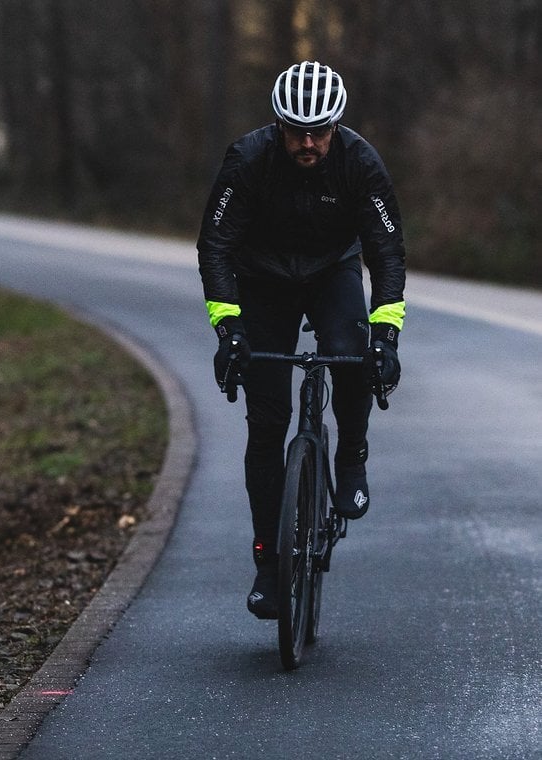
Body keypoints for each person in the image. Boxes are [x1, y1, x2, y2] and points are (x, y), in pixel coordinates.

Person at [196, 61, 406, 620]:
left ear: (336, 126)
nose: (307, 142)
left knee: (352, 351)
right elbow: (214, 247)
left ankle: (352, 453)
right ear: (278, 124)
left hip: (331, 272)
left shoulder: (360, 163)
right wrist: (229, 328)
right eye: (295, 130)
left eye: (319, 131)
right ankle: (268, 562)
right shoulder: (247, 160)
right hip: (261, 280)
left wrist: (386, 336)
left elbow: (386, 254)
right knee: (267, 424)